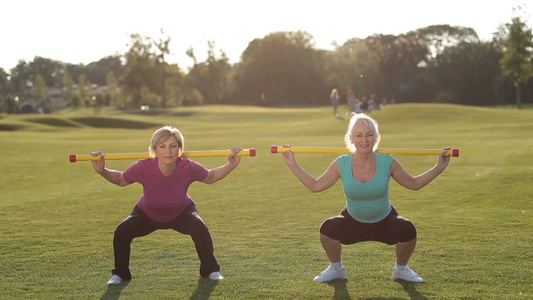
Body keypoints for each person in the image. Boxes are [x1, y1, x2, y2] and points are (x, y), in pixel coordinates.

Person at [280, 113, 451, 283]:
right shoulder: (341, 163)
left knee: (408, 229)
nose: (365, 140)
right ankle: (336, 269)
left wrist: (439, 167)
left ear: (376, 138)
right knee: (328, 228)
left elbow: (413, 184)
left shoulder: (387, 162)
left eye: (369, 135)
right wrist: (292, 164)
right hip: (353, 221)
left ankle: (401, 270)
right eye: (359, 135)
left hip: (384, 220)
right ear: (351, 139)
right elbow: (315, 186)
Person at [90, 125, 243, 285]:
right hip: (147, 213)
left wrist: (232, 164)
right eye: (162, 146)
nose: (168, 151)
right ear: (155, 149)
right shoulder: (143, 166)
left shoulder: (188, 166)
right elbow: (121, 180)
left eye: (173, 146)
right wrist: (102, 170)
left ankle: (210, 270)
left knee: (200, 229)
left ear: (179, 149)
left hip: (181, 211)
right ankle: (120, 274)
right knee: (122, 231)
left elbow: (210, 176)